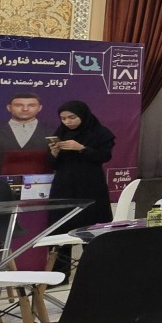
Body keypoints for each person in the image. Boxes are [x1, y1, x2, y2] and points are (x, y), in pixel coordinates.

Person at [48, 100, 115, 276]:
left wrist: (81, 148)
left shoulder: (100, 133)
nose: (67, 122)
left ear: (83, 115)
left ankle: (96, 273)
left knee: (92, 229)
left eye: (72, 117)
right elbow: (52, 164)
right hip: (64, 186)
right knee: (60, 228)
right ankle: (59, 274)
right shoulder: (61, 133)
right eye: (63, 118)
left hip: (90, 186)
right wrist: (54, 153)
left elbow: (104, 156)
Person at [0, 92, 51, 174]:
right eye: (18, 105)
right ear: (9, 107)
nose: (25, 109)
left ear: (39, 108)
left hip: (46, 181)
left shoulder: (53, 133)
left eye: (31, 105)